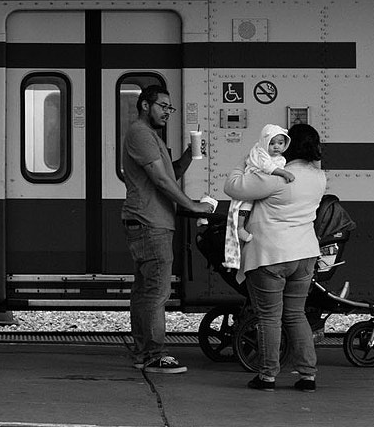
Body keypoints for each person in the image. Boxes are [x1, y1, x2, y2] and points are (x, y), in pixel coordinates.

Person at [222, 122, 327, 392]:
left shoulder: (278, 177)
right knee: (296, 314)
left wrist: (246, 159)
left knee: (269, 317)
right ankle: (307, 376)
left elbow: (232, 186)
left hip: (271, 256)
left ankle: (267, 376)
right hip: (304, 254)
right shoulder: (319, 177)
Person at [120, 84, 215, 374]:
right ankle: (154, 354)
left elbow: (169, 173)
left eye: (170, 108)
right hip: (150, 223)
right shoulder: (140, 134)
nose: (167, 113)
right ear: (145, 105)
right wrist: (194, 206)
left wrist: (189, 155)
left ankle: (142, 352)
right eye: (163, 106)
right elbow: (161, 180)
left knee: (144, 292)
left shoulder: (151, 137)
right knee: (156, 293)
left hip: (149, 221)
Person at [223, 124, 294, 264]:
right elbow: (268, 167)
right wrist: (284, 173)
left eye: (280, 143)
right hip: (253, 178)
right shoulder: (261, 152)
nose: (276, 147)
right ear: (264, 143)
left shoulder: (279, 158)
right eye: (272, 143)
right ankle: (240, 227)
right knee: (246, 204)